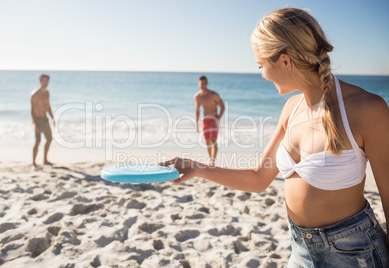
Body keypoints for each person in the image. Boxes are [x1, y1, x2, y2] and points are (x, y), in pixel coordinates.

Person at [161, 8, 389, 267]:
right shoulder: (291, 108)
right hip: (300, 249)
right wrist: (198, 168)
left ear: (284, 60)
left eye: (261, 65)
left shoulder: (368, 109)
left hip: (354, 254)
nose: (262, 75)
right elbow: (259, 179)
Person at [194, 76, 225, 167]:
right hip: (205, 120)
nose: (202, 85)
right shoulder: (197, 97)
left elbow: (223, 106)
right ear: (198, 84)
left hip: (214, 119)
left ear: (207, 84)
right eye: (201, 83)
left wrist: (218, 119)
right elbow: (198, 110)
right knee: (207, 142)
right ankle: (211, 160)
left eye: (204, 83)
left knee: (213, 141)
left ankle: (212, 162)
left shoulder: (214, 95)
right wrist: (197, 123)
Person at [31, 74, 55, 167]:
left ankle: (45, 160)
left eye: (47, 81)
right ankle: (33, 163)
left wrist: (52, 117)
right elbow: (32, 110)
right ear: (40, 81)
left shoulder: (47, 93)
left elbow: (48, 106)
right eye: (43, 80)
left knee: (49, 139)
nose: (45, 82)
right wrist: (36, 124)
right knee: (38, 140)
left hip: (45, 119)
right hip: (37, 119)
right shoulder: (35, 94)